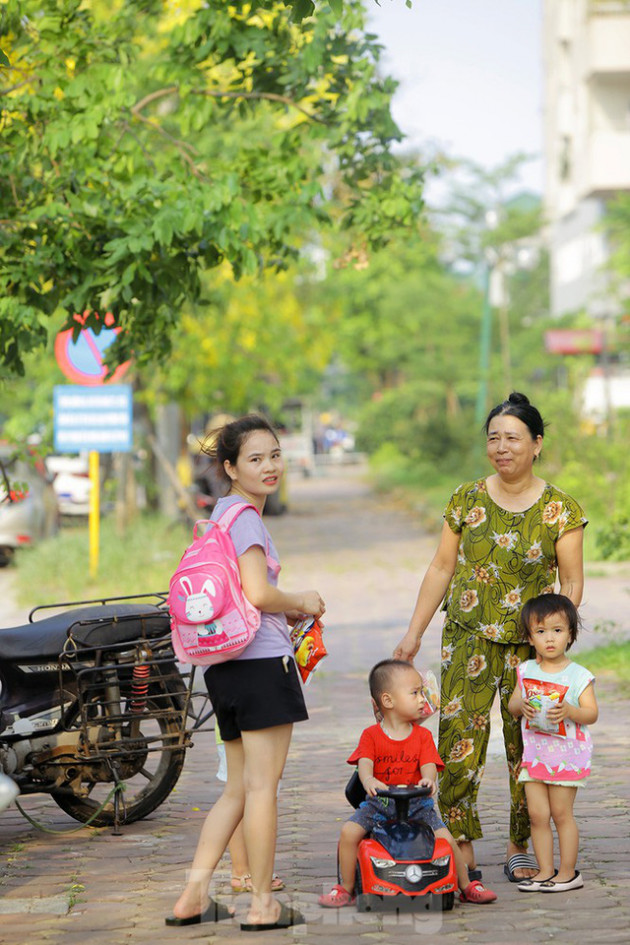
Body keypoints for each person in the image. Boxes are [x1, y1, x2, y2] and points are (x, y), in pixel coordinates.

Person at [393, 392, 587, 883]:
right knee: (459, 741)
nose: (502, 448)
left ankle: (521, 842)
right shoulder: (466, 498)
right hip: (467, 636)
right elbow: (441, 567)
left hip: (529, 647)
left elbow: (571, 582)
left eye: (513, 438)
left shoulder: (560, 509)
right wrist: (413, 634)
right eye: (494, 439)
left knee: (529, 742)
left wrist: (555, 641)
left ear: (537, 444)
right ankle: (461, 845)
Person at [166, 414, 325, 932]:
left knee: (236, 789)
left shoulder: (220, 517)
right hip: (260, 665)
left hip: (224, 668)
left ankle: (192, 895)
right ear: (230, 467)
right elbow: (258, 594)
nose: (270, 466)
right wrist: (301, 600)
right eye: (255, 459)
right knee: (261, 789)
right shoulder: (249, 520)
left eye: (275, 455)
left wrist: (283, 608)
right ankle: (261, 904)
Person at [318, 659, 497, 907]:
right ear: (388, 700)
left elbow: (429, 765)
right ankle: (345, 887)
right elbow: (365, 764)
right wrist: (369, 779)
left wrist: (428, 779)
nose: (423, 698)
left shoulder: (422, 736)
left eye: (422, 691)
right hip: (378, 806)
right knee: (348, 833)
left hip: (417, 807)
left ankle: (466, 885)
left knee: (446, 838)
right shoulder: (371, 735)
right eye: (415, 693)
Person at [508, 593, 597, 893]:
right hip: (535, 755)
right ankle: (545, 869)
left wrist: (572, 711)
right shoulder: (526, 671)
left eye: (557, 631)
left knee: (561, 814)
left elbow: (591, 713)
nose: (549, 639)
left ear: (570, 634)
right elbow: (511, 706)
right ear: (530, 638)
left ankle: (568, 872)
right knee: (537, 815)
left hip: (566, 756)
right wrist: (523, 706)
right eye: (541, 631)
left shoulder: (578, 676)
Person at [214, 724, 284, 894]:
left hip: (232, 719)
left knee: (237, 797)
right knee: (259, 795)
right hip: (260, 721)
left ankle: (245, 872)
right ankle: (245, 872)